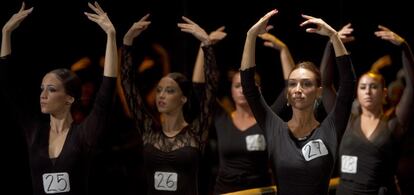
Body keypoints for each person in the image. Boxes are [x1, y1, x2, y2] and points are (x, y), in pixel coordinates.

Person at [0, 2, 118, 195]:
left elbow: (106, 92)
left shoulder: (83, 135)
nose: (43, 95)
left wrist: (111, 36)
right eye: (42, 89)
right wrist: (6, 33)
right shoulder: (35, 131)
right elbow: (9, 88)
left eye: (51, 89)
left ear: (69, 98)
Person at [240, 9, 356, 195]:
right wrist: (251, 35)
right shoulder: (273, 127)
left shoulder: (331, 128)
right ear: (287, 93)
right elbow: (249, 87)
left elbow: (348, 84)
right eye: (292, 84)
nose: (298, 89)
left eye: (306, 84)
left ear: (318, 92)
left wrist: (334, 36)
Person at [120, 14, 218, 195]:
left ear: (183, 98)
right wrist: (127, 42)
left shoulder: (197, 130)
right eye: (159, 90)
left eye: (170, 90)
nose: (161, 95)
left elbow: (210, 87)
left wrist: (206, 44)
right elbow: (128, 86)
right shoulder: (148, 129)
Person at [332, 26, 414, 195]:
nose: (367, 91)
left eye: (373, 87)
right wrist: (331, 42)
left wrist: (405, 47)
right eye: (362, 87)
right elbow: (326, 85)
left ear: (384, 93)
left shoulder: (393, 123)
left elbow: (412, 87)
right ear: (357, 92)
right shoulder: (348, 119)